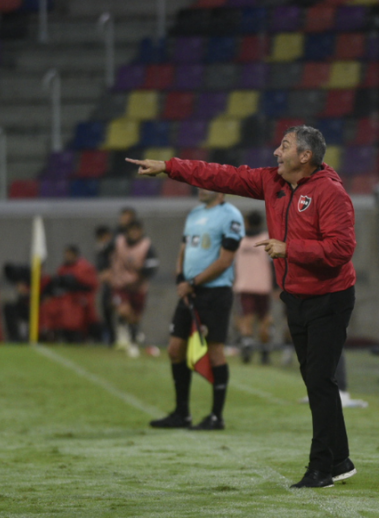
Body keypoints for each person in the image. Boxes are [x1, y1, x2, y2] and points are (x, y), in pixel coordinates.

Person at [127, 124, 358, 489]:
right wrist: (170, 167)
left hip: (330, 296)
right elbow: (222, 175)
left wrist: (290, 249)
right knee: (318, 381)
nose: (275, 153)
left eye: (284, 146)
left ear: (305, 156)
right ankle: (340, 458)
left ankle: (321, 468)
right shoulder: (274, 182)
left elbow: (342, 250)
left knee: (318, 380)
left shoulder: (330, 193)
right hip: (295, 296)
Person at [147, 188, 242, 431]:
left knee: (215, 352)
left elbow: (225, 261)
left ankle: (216, 416)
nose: (200, 188)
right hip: (189, 292)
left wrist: (192, 283)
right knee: (175, 349)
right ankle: (182, 413)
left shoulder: (231, 215)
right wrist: (181, 279)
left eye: (207, 184)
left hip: (215, 293)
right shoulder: (193, 214)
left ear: (220, 189)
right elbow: (183, 250)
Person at [103, 220, 159, 357]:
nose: (134, 233)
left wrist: (142, 272)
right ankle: (129, 334)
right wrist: (104, 270)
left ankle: (133, 340)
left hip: (138, 287)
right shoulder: (118, 242)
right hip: (120, 285)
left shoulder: (146, 246)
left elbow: (152, 267)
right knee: (123, 310)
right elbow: (103, 254)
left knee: (135, 317)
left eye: (136, 230)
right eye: (131, 230)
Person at [234, 210, 275, 364]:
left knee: (246, 319)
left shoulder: (239, 241)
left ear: (247, 222)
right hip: (263, 286)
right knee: (264, 319)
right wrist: (276, 286)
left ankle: (247, 350)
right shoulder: (266, 239)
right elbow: (274, 264)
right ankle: (265, 354)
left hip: (244, 285)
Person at [40, 245, 99, 342]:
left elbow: (90, 284)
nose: (67, 256)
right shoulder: (63, 268)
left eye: (69, 254)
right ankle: (52, 334)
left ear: (75, 255)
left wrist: (73, 282)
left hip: (80, 298)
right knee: (49, 307)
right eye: (66, 254)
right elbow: (57, 282)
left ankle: (81, 336)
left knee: (72, 315)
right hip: (65, 298)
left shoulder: (84, 267)